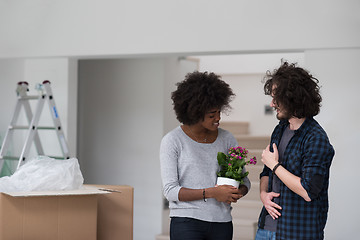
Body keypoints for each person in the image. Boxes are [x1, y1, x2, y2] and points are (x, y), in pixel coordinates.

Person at [160, 71, 251, 240]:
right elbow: (170, 191)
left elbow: (245, 182)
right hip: (186, 222)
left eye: (219, 112)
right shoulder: (172, 141)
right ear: (194, 113)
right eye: (211, 115)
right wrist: (212, 193)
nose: (218, 118)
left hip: (222, 223)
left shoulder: (227, 138)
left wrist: (237, 192)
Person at [255, 61, 335, 240]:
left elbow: (308, 191)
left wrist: (275, 165)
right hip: (266, 229)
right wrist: (263, 195)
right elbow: (266, 173)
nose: (272, 103)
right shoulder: (280, 129)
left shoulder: (316, 138)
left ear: (293, 98)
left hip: (297, 233)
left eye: (277, 98)